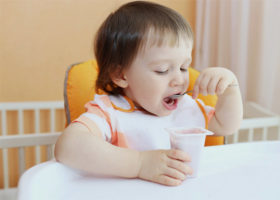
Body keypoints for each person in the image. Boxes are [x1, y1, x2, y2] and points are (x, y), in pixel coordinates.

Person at [55, 1, 243, 186]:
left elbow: (225, 126)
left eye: (184, 67)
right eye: (162, 70)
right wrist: (139, 163)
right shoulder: (110, 112)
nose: (179, 79)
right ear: (121, 75)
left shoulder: (186, 108)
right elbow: (67, 146)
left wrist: (230, 89)